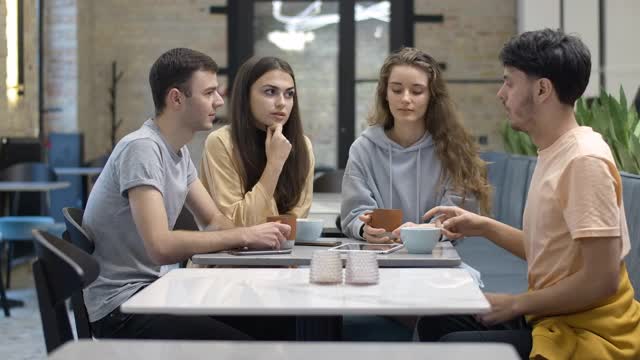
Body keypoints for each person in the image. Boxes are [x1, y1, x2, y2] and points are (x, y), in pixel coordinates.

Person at [417, 29, 640, 359]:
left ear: (541, 89)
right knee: (436, 321)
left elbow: (602, 280)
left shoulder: (583, 161)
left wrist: (516, 303)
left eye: (509, 81)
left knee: (455, 349)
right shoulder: (554, 150)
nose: (500, 93)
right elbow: (552, 254)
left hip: (590, 331)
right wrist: (482, 225)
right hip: (551, 314)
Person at [82, 48, 291, 340]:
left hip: (157, 292)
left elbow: (215, 220)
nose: (219, 101)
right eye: (209, 93)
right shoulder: (141, 148)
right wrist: (245, 235)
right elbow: (161, 246)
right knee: (247, 346)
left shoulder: (177, 153)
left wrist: (254, 235)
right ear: (176, 98)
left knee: (277, 325)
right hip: (123, 308)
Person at [340, 47, 491, 243]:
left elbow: (459, 216)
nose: (405, 98)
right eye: (396, 89)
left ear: (431, 96)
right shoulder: (363, 149)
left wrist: (425, 230)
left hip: (437, 260)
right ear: (385, 93)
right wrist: (364, 228)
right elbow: (354, 212)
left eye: (417, 91)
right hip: (380, 257)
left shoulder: (453, 149)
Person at [199, 56, 314, 227]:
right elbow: (237, 225)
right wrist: (274, 165)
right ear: (246, 95)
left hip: (286, 250)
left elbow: (293, 224)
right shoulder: (221, 142)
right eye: (270, 92)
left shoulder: (302, 145)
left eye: (289, 94)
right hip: (229, 252)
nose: (282, 103)